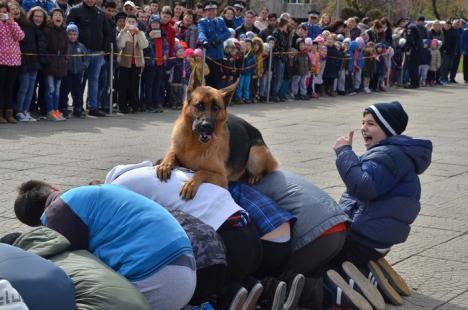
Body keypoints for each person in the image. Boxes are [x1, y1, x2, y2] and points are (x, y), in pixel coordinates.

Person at [14, 180, 196, 310]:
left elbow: (72, 274)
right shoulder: (98, 192)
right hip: (185, 270)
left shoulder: (57, 213)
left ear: (39, 223)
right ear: (54, 188)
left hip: (153, 277)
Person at [330, 102, 432, 292]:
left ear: (388, 129)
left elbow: (362, 186)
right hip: (376, 239)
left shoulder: (389, 156)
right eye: (363, 123)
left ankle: (357, 283)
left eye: (371, 124)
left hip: (362, 240)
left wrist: (344, 153)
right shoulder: (392, 154)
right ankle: (367, 271)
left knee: (315, 258)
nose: (363, 128)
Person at [67, 0, 112, 117]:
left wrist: (104, 49)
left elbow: (107, 33)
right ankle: (78, 107)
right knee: (79, 81)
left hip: (97, 53)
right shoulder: (75, 10)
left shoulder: (100, 13)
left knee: (94, 81)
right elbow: (68, 30)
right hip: (80, 53)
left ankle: (93, 107)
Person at [16, 6, 47, 122]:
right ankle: (19, 111)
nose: (38, 19)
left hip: (35, 63)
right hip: (24, 62)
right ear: (31, 16)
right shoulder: (26, 26)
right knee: (23, 88)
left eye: (41, 16)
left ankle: (25, 111)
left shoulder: (42, 30)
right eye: (36, 16)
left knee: (30, 89)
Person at [116, 14, 148, 114]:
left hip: (136, 63)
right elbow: (120, 45)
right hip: (125, 63)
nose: (131, 24)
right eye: (129, 22)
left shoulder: (140, 33)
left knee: (134, 85)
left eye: (133, 22)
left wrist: (139, 33)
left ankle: (134, 105)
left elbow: (144, 45)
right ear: (126, 23)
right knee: (123, 86)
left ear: (136, 23)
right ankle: (123, 106)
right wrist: (124, 31)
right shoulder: (123, 32)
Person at [0, 0, 24, 124]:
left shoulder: (12, 23)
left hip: (14, 61)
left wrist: (11, 23)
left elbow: (20, 36)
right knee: (1, 87)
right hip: (1, 61)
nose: (5, 14)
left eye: (6, 12)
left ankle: (9, 113)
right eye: (2, 12)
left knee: (9, 88)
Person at [197, 0, 230, 89]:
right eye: (209, 10)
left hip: (218, 54)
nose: (211, 12)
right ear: (206, 11)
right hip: (208, 55)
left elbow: (227, 33)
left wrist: (218, 40)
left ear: (216, 11)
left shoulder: (221, 21)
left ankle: (214, 100)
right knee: (207, 78)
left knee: (217, 79)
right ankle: (206, 101)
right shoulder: (202, 22)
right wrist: (204, 40)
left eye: (213, 10)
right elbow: (201, 32)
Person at [58, 22, 89, 118]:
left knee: (78, 91)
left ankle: (78, 108)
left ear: (77, 35)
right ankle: (63, 108)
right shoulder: (64, 45)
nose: (72, 36)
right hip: (67, 72)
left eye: (74, 34)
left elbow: (86, 58)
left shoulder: (81, 46)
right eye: (70, 34)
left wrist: (83, 66)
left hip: (78, 72)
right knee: (64, 90)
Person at [43, 8, 67, 121]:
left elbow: (66, 48)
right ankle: (50, 111)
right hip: (50, 65)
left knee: (57, 90)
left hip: (61, 65)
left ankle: (56, 111)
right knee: (50, 90)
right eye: (55, 15)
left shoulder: (64, 30)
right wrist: (48, 59)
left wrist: (65, 59)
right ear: (51, 17)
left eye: (60, 15)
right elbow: (44, 47)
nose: (58, 17)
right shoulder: (47, 30)